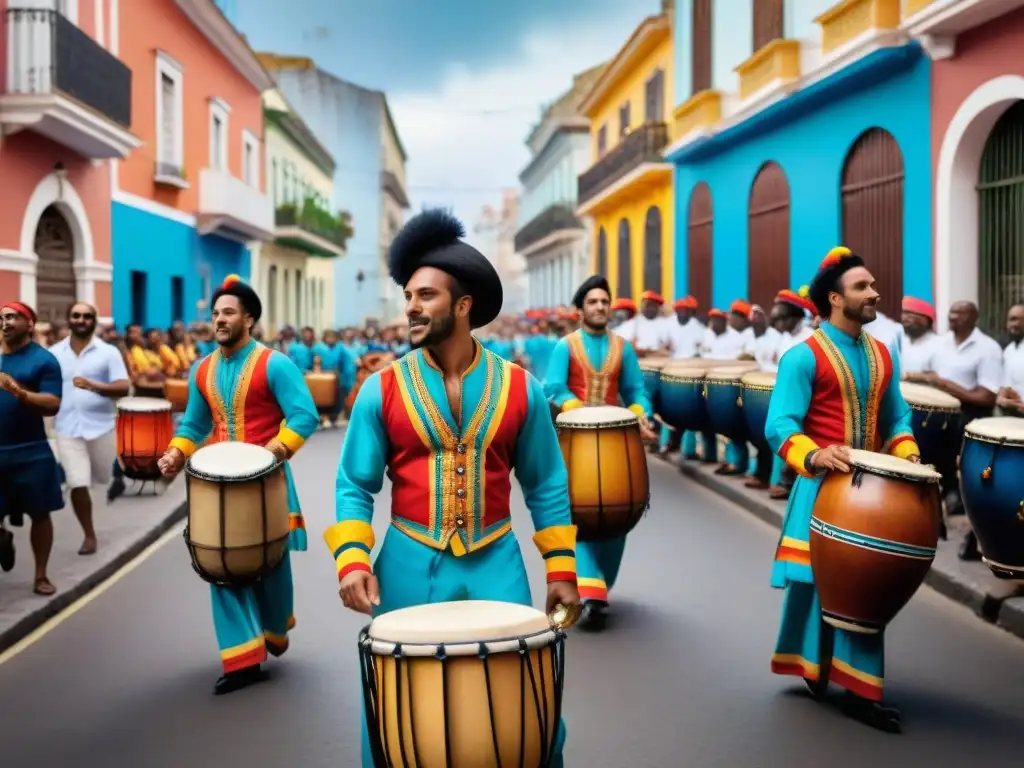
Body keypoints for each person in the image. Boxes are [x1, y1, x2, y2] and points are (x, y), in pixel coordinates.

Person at [326, 210, 579, 767]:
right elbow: (353, 485)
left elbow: (546, 484)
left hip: (497, 560)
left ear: (463, 306)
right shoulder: (380, 390)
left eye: (425, 296)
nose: (410, 308)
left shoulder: (522, 388)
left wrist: (562, 572)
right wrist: (351, 561)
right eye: (408, 296)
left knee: (527, 703)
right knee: (398, 710)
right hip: (408, 561)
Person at [766, 247, 920, 733]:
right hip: (821, 489)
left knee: (861, 589)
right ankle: (811, 665)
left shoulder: (882, 353)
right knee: (815, 588)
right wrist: (813, 455)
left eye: (873, 284)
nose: (875, 292)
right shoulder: (801, 358)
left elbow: (897, 415)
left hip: (873, 492)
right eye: (862, 287)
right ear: (835, 299)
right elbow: (780, 425)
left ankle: (859, 690)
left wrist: (907, 451)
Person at [156, 276, 319, 695]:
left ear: (249, 319)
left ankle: (273, 630)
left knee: (270, 565)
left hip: (266, 480)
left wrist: (274, 451)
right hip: (215, 485)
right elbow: (194, 422)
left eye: (228, 312)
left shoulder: (276, 364)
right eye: (215, 314)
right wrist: (176, 452)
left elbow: (304, 416)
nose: (219, 320)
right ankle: (242, 658)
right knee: (222, 564)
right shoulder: (202, 369)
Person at [544, 274, 654, 630]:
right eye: (592, 302)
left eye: (604, 302)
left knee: (615, 514)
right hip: (574, 441)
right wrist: (576, 407)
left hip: (613, 440)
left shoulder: (623, 348)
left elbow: (637, 391)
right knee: (580, 515)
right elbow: (553, 388)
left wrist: (639, 414)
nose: (600, 307)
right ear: (580, 310)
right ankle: (592, 594)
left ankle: (597, 586)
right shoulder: (566, 346)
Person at [50, 302, 131, 555]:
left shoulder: (108, 353)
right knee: (77, 482)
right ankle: (89, 534)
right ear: (69, 319)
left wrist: (92, 386)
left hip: (102, 428)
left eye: (86, 316)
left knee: (102, 479)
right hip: (67, 428)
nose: (81, 319)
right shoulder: (53, 353)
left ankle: (112, 485)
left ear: (94, 321)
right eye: (76, 315)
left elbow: (122, 387)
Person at [0, 302, 64, 593]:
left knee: (40, 514)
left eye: (12, 316)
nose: (5, 322)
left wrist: (18, 391)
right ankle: (3, 538)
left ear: (29, 323)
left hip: (31, 450)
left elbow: (52, 404)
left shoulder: (44, 360)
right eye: (1, 318)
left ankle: (40, 575)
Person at [998, 303, 1024, 416]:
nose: (1016, 324)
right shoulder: (1009, 350)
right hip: (1012, 415)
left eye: (1021, 320)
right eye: (1012, 319)